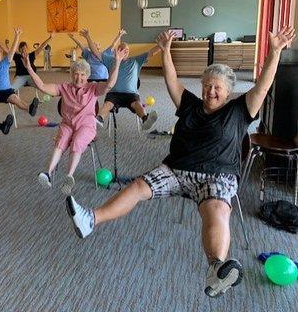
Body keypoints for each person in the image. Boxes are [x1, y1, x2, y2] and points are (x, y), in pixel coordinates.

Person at [66, 27, 295, 298]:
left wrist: (275, 52)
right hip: (175, 168)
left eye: (217, 88)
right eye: (207, 86)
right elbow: (171, 79)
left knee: (218, 210)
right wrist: (165, 51)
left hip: (217, 175)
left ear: (228, 91)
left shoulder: (239, 110)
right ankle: (91, 219)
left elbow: (263, 86)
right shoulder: (189, 104)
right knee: (138, 186)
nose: (211, 92)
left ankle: (216, 267)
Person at [23, 45, 128, 195]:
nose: (79, 78)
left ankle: (69, 176)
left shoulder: (93, 88)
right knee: (60, 142)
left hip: (86, 125)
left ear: (87, 76)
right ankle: (47, 173)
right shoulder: (64, 87)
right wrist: (29, 68)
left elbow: (110, 84)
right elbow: (42, 86)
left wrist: (117, 63)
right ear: (72, 75)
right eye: (76, 74)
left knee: (77, 141)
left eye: (83, 75)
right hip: (67, 124)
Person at [83, 28, 161, 130]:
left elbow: (151, 53)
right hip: (114, 93)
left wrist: (162, 45)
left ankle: (145, 119)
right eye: (122, 49)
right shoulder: (110, 60)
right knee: (107, 104)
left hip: (131, 94)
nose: (124, 51)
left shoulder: (136, 61)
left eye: (127, 50)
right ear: (117, 50)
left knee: (137, 104)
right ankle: (99, 119)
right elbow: (95, 52)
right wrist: (88, 37)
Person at [0, 25, 39, 117]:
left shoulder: (6, 61)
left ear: (1, 54)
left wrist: (17, 36)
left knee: (16, 99)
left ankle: (29, 109)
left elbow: (13, 49)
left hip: (7, 91)